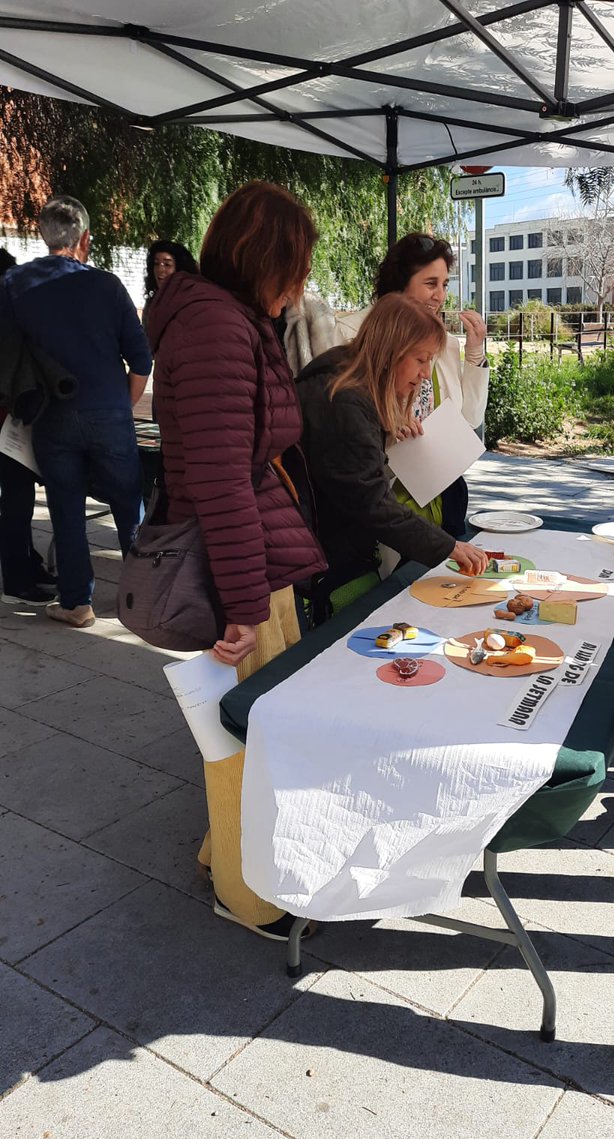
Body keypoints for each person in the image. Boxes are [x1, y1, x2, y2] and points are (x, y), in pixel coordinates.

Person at [146, 180, 327, 941]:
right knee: (246, 743)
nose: (299, 288)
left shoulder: (222, 317)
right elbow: (222, 480)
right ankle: (248, 894)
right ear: (266, 261)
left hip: (249, 556)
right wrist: (247, 607)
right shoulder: (219, 325)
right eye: (296, 269)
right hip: (240, 568)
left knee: (246, 735)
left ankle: (223, 854)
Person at [0, 197, 151, 627]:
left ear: (42, 234)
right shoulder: (107, 285)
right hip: (109, 410)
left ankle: (76, 602)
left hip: (52, 414)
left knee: (66, 509)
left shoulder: (13, 284)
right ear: (85, 239)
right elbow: (141, 360)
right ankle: (143, 599)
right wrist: (122, 405)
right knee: (128, 504)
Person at [295, 292, 487, 615]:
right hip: (324, 566)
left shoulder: (349, 383)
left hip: (333, 557)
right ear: (391, 352)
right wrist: (448, 547)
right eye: (421, 360)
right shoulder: (344, 400)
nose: (425, 374)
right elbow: (372, 503)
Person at [335, 233, 489, 537]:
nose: (440, 296)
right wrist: (388, 423)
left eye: (445, 285)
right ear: (400, 283)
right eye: (430, 284)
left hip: (441, 497)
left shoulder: (445, 343)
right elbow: (340, 421)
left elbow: (470, 419)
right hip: (381, 500)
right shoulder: (352, 333)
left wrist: (475, 354)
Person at [0, 245, 58, 605]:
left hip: (9, 421)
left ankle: (28, 564)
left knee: (16, 500)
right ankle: (17, 580)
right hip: (9, 424)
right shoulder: (8, 317)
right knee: (17, 501)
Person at [142, 239, 198, 318]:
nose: (160, 269)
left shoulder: (191, 302)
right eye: (156, 263)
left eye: (167, 264)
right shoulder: (151, 305)